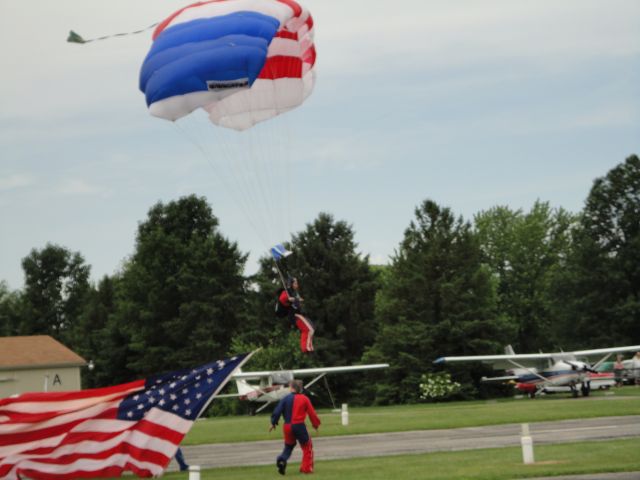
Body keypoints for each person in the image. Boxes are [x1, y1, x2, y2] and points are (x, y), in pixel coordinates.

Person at [269, 379, 321, 475]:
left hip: (287, 426)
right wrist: (316, 424)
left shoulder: (285, 398)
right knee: (307, 446)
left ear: (291, 388)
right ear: (300, 389)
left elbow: (277, 411)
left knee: (288, 446)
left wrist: (273, 423)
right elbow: (312, 413)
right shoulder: (305, 398)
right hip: (299, 425)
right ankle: (306, 469)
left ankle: (282, 459)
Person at [277, 277, 315, 353]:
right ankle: (306, 348)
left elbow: (297, 302)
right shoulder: (287, 291)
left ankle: (308, 347)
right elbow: (282, 298)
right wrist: (290, 299)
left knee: (311, 328)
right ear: (291, 284)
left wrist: (298, 300)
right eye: (295, 283)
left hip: (298, 314)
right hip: (294, 315)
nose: (297, 284)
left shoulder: (295, 292)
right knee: (309, 329)